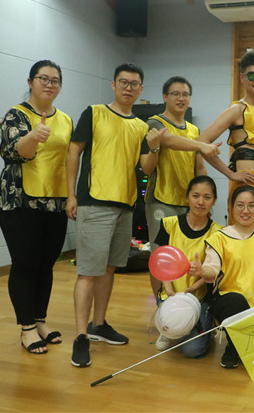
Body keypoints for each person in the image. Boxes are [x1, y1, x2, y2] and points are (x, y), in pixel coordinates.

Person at [66, 63, 218, 367]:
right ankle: (81, 336)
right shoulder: (94, 113)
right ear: (113, 84)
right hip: (95, 202)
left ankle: (99, 324)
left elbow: (146, 165)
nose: (128, 88)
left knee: (109, 269)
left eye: (134, 84)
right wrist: (71, 195)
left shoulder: (139, 125)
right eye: (123, 82)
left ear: (141, 90)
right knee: (88, 272)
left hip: (126, 205)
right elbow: (73, 152)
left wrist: (155, 148)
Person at [0, 60, 72, 355]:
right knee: (25, 265)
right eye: (43, 78)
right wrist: (33, 136)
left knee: (46, 265)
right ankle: (26, 327)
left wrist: (72, 197)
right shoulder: (16, 115)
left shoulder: (65, 119)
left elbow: (70, 161)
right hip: (20, 202)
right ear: (30, 82)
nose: (49, 84)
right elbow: (16, 153)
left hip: (55, 202)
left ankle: (40, 320)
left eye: (55, 80)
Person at [190, 185, 254, 369]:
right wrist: (201, 271)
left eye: (251, 205)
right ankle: (235, 346)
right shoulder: (219, 238)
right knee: (235, 301)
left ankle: (246, 342)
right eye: (240, 205)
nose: (246, 211)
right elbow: (212, 269)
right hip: (227, 302)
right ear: (231, 208)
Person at [198, 51, 254, 236]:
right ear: (242, 78)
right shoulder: (236, 110)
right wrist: (230, 174)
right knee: (242, 239)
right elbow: (202, 142)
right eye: (252, 75)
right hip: (247, 184)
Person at [140, 76, 207, 298]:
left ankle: (183, 302)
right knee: (161, 257)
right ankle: (161, 304)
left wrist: (205, 199)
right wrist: (202, 145)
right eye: (175, 94)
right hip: (161, 201)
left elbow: (199, 167)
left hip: (189, 203)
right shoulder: (155, 123)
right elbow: (165, 144)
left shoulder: (194, 130)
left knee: (188, 256)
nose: (181, 98)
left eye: (185, 94)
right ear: (165, 97)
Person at [152, 176, 223, 358]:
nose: (201, 202)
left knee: (194, 350)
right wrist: (169, 291)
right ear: (187, 198)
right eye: (196, 196)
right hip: (170, 295)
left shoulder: (218, 233)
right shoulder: (169, 224)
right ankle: (170, 329)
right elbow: (160, 263)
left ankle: (202, 325)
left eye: (207, 197)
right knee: (174, 326)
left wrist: (192, 288)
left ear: (214, 200)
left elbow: (214, 271)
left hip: (198, 298)